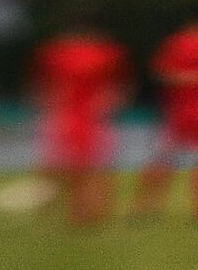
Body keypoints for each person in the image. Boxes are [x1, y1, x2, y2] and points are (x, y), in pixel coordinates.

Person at [135, 5, 198, 222]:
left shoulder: (176, 42)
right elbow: (173, 75)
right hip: (196, 110)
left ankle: (144, 208)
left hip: (177, 110)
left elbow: (161, 73)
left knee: (165, 159)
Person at [30, 12, 130, 227]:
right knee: (94, 166)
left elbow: (44, 87)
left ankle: (70, 210)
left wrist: (50, 109)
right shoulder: (108, 53)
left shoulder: (54, 52)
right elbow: (119, 88)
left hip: (67, 115)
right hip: (92, 116)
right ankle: (91, 211)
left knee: (62, 167)